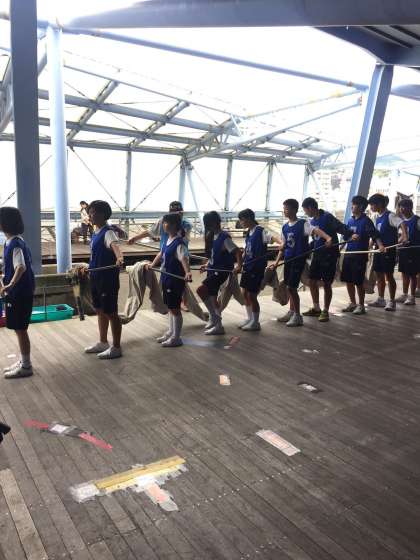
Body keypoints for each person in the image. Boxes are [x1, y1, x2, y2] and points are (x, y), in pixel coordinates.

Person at [270, 199, 332, 327]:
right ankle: (292, 311)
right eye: (284, 208)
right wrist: (276, 263)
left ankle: (297, 316)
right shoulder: (285, 227)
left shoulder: (303, 224)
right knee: (289, 286)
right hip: (288, 260)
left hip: (298, 260)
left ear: (294, 210)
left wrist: (328, 238)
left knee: (292, 287)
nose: (284, 211)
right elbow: (283, 246)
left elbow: (316, 231)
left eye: (286, 208)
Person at [128, 201, 192, 310]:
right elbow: (150, 232)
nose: (164, 225)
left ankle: (180, 302)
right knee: (166, 280)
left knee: (180, 280)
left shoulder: (186, 225)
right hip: (165, 254)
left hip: (179, 256)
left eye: (178, 212)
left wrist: (188, 271)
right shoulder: (163, 220)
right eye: (173, 212)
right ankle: (169, 303)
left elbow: (182, 240)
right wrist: (135, 238)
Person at [301, 197, 353, 322]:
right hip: (317, 254)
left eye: (305, 210)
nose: (305, 213)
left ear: (310, 208)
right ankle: (316, 308)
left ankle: (325, 310)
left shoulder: (327, 217)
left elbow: (341, 227)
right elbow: (316, 239)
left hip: (329, 255)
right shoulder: (312, 221)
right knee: (312, 281)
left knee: (326, 283)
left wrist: (351, 234)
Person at [84, 200, 124, 359]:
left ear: (102, 214)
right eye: (89, 212)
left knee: (111, 312)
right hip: (95, 277)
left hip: (107, 279)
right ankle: (103, 342)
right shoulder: (96, 233)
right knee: (99, 310)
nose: (90, 216)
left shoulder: (108, 232)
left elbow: (116, 247)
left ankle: (116, 347)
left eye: (93, 212)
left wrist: (119, 258)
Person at [146, 213, 192, 347]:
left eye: (165, 223)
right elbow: (161, 253)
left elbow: (184, 258)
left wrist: (188, 272)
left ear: (173, 225)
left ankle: (176, 337)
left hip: (174, 280)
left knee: (175, 308)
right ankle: (171, 332)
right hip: (167, 277)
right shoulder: (168, 239)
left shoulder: (179, 243)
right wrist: (152, 264)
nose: (163, 225)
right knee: (171, 307)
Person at [0, 206, 35, 378]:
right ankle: (23, 360)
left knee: (20, 329)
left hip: (20, 292)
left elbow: (20, 267)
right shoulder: (11, 242)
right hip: (17, 292)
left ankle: (26, 366)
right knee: (17, 328)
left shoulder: (15, 244)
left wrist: (10, 284)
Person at [197, 211, 242, 335]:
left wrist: (239, 266)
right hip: (212, 270)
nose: (210, 226)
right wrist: (207, 265)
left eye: (210, 223)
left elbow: (238, 252)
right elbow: (214, 255)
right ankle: (218, 326)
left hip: (221, 271)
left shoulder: (224, 238)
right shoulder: (211, 236)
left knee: (201, 290)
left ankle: (215, 318)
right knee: (212, 298)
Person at [237, 208, 282, 331]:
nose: (241, 222)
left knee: (252, 295)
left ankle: (255, 322)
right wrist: (239, 264)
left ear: (249, 219)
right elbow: (246, 250)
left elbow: (273, 237)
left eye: (242, 220)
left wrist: (281, 243)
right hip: (247, 267)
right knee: (244, 293)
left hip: (256, 268)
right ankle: (250, 318)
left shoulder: (260, 231)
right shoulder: (248, 233)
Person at [341, 195, 384, 315]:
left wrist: (380, 245)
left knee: (358, 282)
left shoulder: (366, 221)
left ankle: (361, 305)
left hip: (359, 256)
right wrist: (339, 249)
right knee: (348, 280)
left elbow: (375, 235)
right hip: (349, 254)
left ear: (360, 207)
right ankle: (352, 303)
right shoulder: (350, 220)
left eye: (354, 205)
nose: (351, 207)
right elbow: (345, 237)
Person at [368, 194, 408, 310]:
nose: (371, 207)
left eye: (372, 205)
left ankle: (392, 301)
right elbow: (376, 234)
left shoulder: (390, 215)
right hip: (378, 250)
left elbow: (402, 223)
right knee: (379, 275)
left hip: (388, 251)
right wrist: (370, 245)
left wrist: (405, 236)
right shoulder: (376, 217)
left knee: (389, 276)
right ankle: (381, 299)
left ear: (380, 204)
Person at [396, 198, 420, 305]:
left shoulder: (417, 220)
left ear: (410, 207)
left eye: (404, 207)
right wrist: (397, 244)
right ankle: (404, 294)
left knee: (412, 274)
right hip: (403, 251)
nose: (401, 209)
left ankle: (412, 297)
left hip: (414, 251)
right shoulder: (401, 221)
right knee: (404, 273)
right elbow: (402, 236)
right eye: (400, 207)